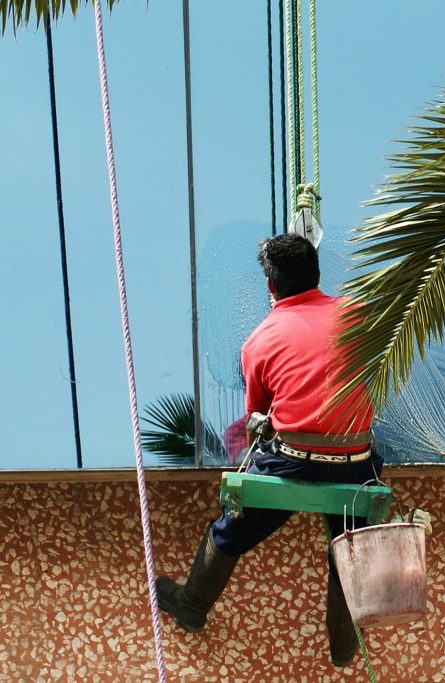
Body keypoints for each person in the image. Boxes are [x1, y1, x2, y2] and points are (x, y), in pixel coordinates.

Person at [156, 233, 381, 667]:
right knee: (346, 545)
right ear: (318, 275)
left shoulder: (258, 341)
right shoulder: (359, 316)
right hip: (354, 461)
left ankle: (191, 606)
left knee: (230, 530)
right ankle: (343, 644)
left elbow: (257, 414)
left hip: (293, 461)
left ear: (270, 287)